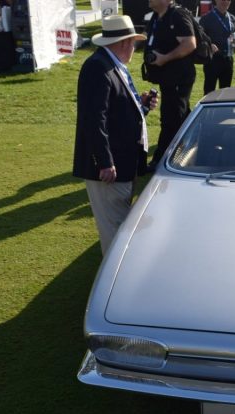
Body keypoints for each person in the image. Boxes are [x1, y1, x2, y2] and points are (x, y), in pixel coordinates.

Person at [73, 15, 158, 255]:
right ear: (123, 43)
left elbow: (115, 112)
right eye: (133, 43)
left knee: (121, 229)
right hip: (109, 169)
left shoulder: (109, 65)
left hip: (122, 164)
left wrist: (140, 106)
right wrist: (105, 161)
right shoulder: (97, 68)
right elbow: (93, 119)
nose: (134, 48)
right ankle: (115, 285)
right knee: (115, 232)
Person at [143, 0, 198, 168]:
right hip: (167, 78)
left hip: (179, 77)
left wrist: (165, 58)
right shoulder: (157, 16)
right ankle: (190, 152)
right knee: (180, 115)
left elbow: (190, 44)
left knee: (172, 118)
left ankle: (162, 160)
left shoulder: (177, 15)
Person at [199, 0, 235, 94]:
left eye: (227, 0)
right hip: (212, 60)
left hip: (228, 59)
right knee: (209, 92)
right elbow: (199, 39)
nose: (225, 2)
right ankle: (208, 109)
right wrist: (209, 45)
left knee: (226, 92)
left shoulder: (231, 18)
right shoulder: (206, 18)